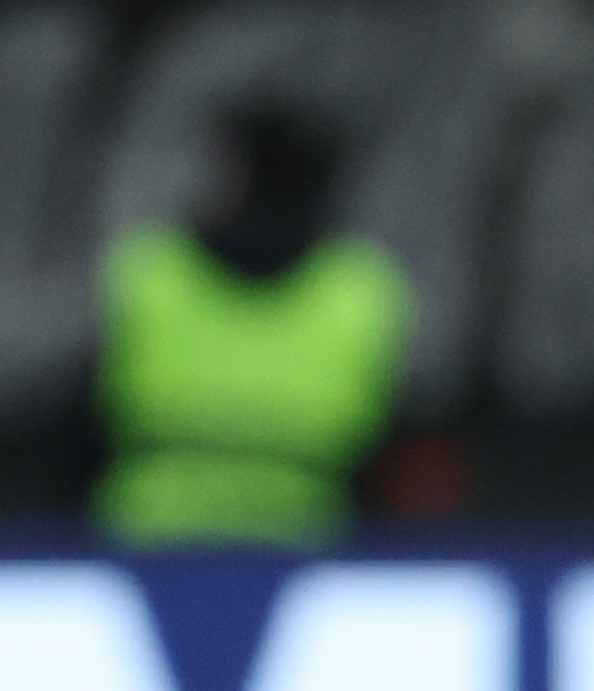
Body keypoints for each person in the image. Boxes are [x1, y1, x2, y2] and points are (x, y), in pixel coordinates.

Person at [94, 108, 411, 550]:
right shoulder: (361, 292)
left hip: (151, 546)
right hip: (306, 549)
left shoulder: (149, 272)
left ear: (233, 175)